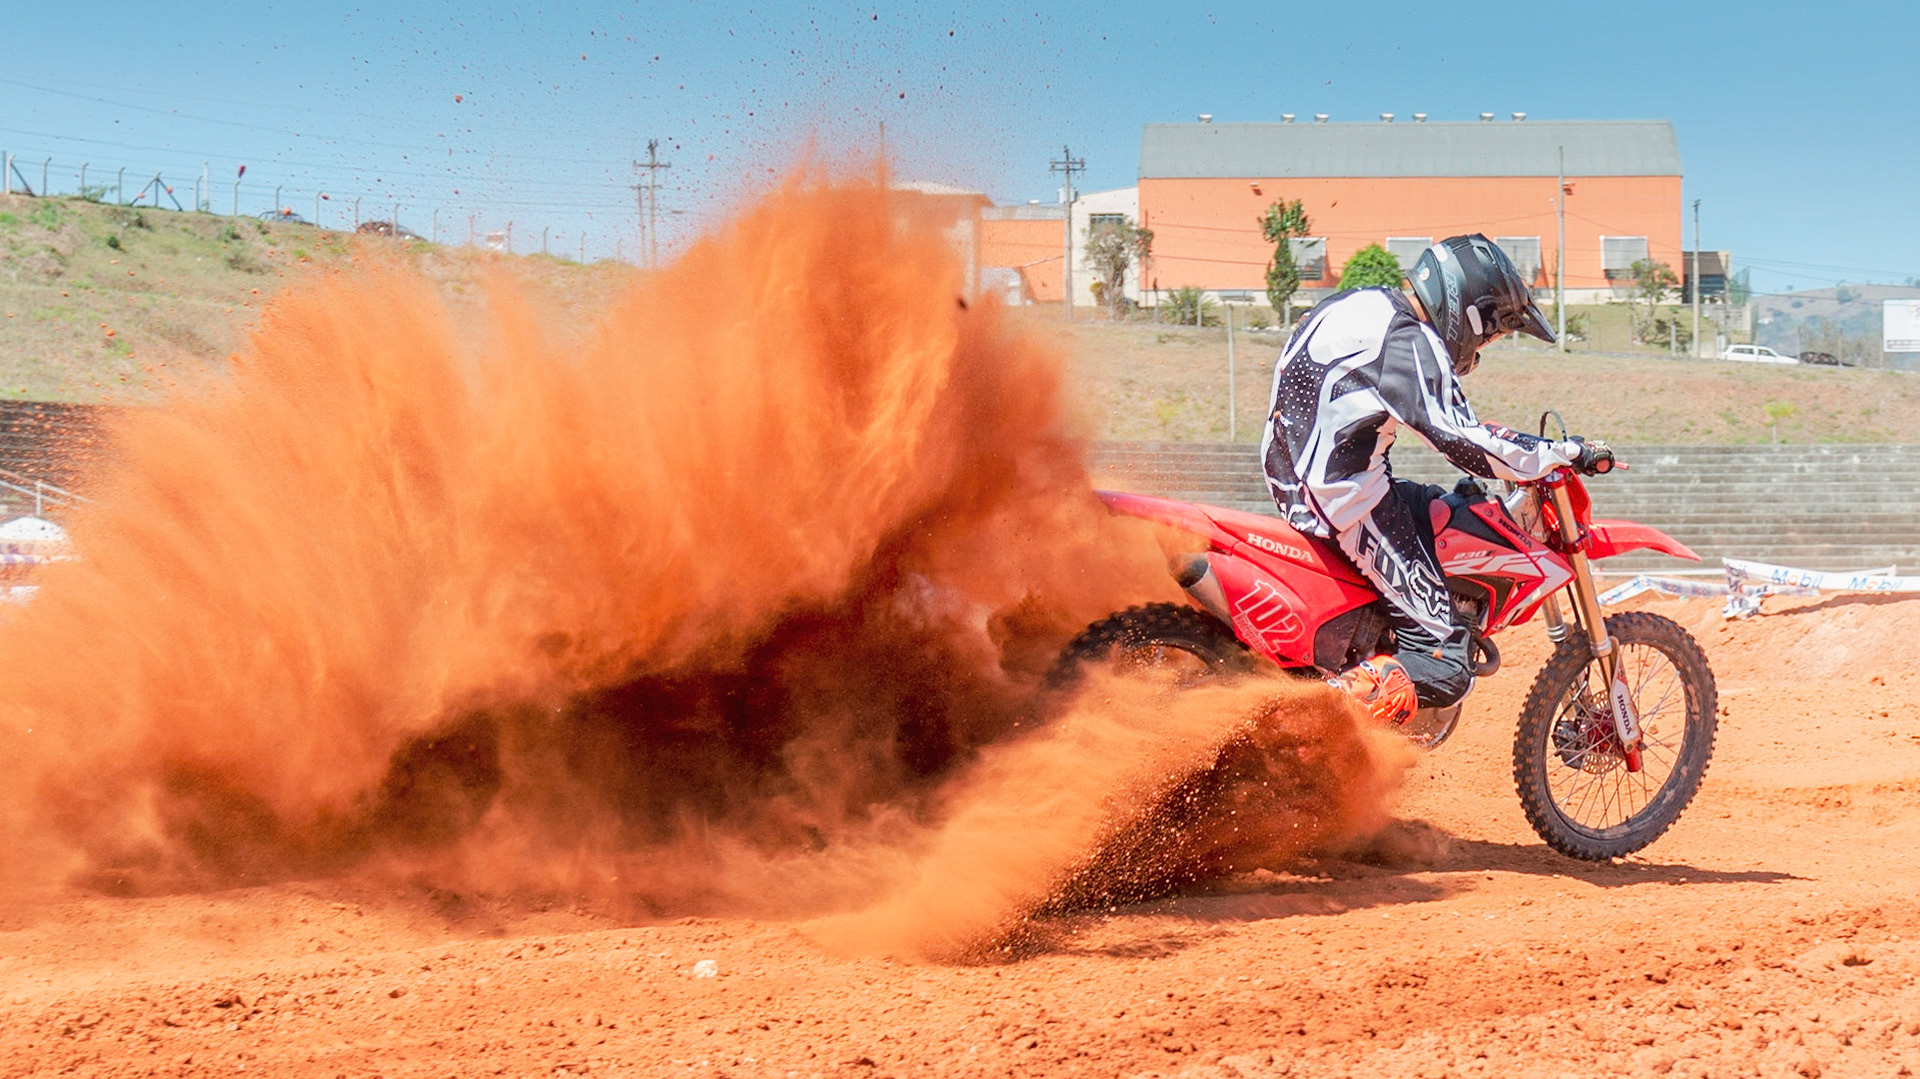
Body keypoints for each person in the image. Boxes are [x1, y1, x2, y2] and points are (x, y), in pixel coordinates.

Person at [1258, 234, 1615, 726]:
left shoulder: (1363, 303)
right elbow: (1465, 442)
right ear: (1470, 311)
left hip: (1299, 476)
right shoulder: (1409, 341)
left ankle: (1380, 637)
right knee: (1447, 666)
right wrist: (1562, 453)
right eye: (1491, 333)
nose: (1483, 347)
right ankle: (1324, 712)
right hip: (1340, 500)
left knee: (1438, 508)